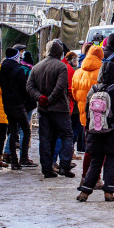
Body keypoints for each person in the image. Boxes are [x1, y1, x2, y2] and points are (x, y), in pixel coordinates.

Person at [76, 60, 114, 203]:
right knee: (111, 162)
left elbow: (88, 112)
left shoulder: (93, 90)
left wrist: (89, 130)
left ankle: (85, 192)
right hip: (113, 132)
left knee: (95, 163)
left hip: (95, 131)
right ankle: (109, 192)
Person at [26, 39, 76, 179]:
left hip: (43, 110)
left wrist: (40, 98)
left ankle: (47, 168)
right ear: (60, 52)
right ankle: (64, 166)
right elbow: (61, 87)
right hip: (60, 109)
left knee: (45, 138)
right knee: (67, 136)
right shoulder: (61, 67)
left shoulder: (36, 67)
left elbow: (29, 87)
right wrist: (50, 100)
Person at [72, 45, 104, 176]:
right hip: (99, 116)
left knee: (89, 148)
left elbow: (74, 94)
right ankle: (94, 177)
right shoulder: (102, 72)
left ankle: (85, 176)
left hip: (83, 115)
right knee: (100, 149)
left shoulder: (78, 72)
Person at [0, 47, 31, 170]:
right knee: (26, 130)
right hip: (18, 104)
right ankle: (23, 158)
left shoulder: (3, 68)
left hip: (7, 104)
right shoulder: (18, 69)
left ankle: (13, 160)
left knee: (12, 132)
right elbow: (24, 88)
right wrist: (27, 100)